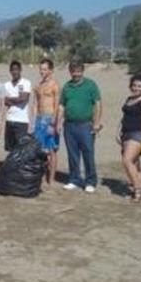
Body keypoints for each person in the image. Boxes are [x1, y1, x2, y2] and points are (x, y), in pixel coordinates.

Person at [57, 60, 102, 193]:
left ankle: (90, 181)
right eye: (73, 71)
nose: (76, 74)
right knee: (72, 154)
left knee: (88, 153)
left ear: (82, 71)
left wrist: (97, 122)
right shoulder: (67, 86)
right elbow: (62, 105)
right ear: (70, 72)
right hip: (69, 125)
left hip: (86, 125)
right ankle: (74, 179)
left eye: (78, 71)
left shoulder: (90, 85)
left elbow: (98, 103)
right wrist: (58, 122)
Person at [116, 74, 141, 202]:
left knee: (127, 160)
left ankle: (137, 190)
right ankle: (138, 188)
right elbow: (124, 116)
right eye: (134, 85)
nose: (137, 88)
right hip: (125, 133)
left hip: (138, 134)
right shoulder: (129, 99)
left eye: (140, 86)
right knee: (135, 163)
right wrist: (118, 131)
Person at [32, 58, 60, 186]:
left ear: (50, 70)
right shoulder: (38, 85)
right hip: (39, 119)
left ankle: (51, 179)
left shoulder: (54, 85)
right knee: (41, 150)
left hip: (50, 119)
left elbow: (57, 104)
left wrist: (54, 122)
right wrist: (33, 121)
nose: (42, 71)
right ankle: (42, 176)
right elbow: (35, 104)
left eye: (44, 69)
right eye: (41, 69)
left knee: (52, 149)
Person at [3, 60, 32, 152]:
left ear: (20, 70)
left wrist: (10, 99)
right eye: (13, 70)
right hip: (9, 119)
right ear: (10, 71)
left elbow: (24, 98)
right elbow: (4, 101)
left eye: (16, 69)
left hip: (21, 121)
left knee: (21, 148)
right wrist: (17, 99)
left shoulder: (26, 83)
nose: (15, 72)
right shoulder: (6, 85)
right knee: (10, 148)